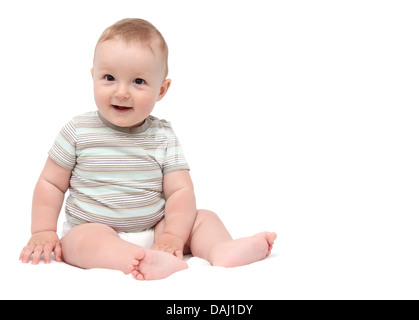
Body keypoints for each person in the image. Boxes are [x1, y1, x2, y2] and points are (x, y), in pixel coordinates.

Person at [20, 18, 277, 280]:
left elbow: (180, 191)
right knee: (81, 243)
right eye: (109, 78)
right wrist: (43, 231)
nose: (121, 92)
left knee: (203, 218)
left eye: (138, 81)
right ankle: (133, 259)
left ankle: (221, 249)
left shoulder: (162, 136)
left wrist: (171, 236)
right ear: (92, 76)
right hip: (93, 227)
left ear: (161, 90)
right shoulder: (78, 130)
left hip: (156, 229)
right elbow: (51, 183)